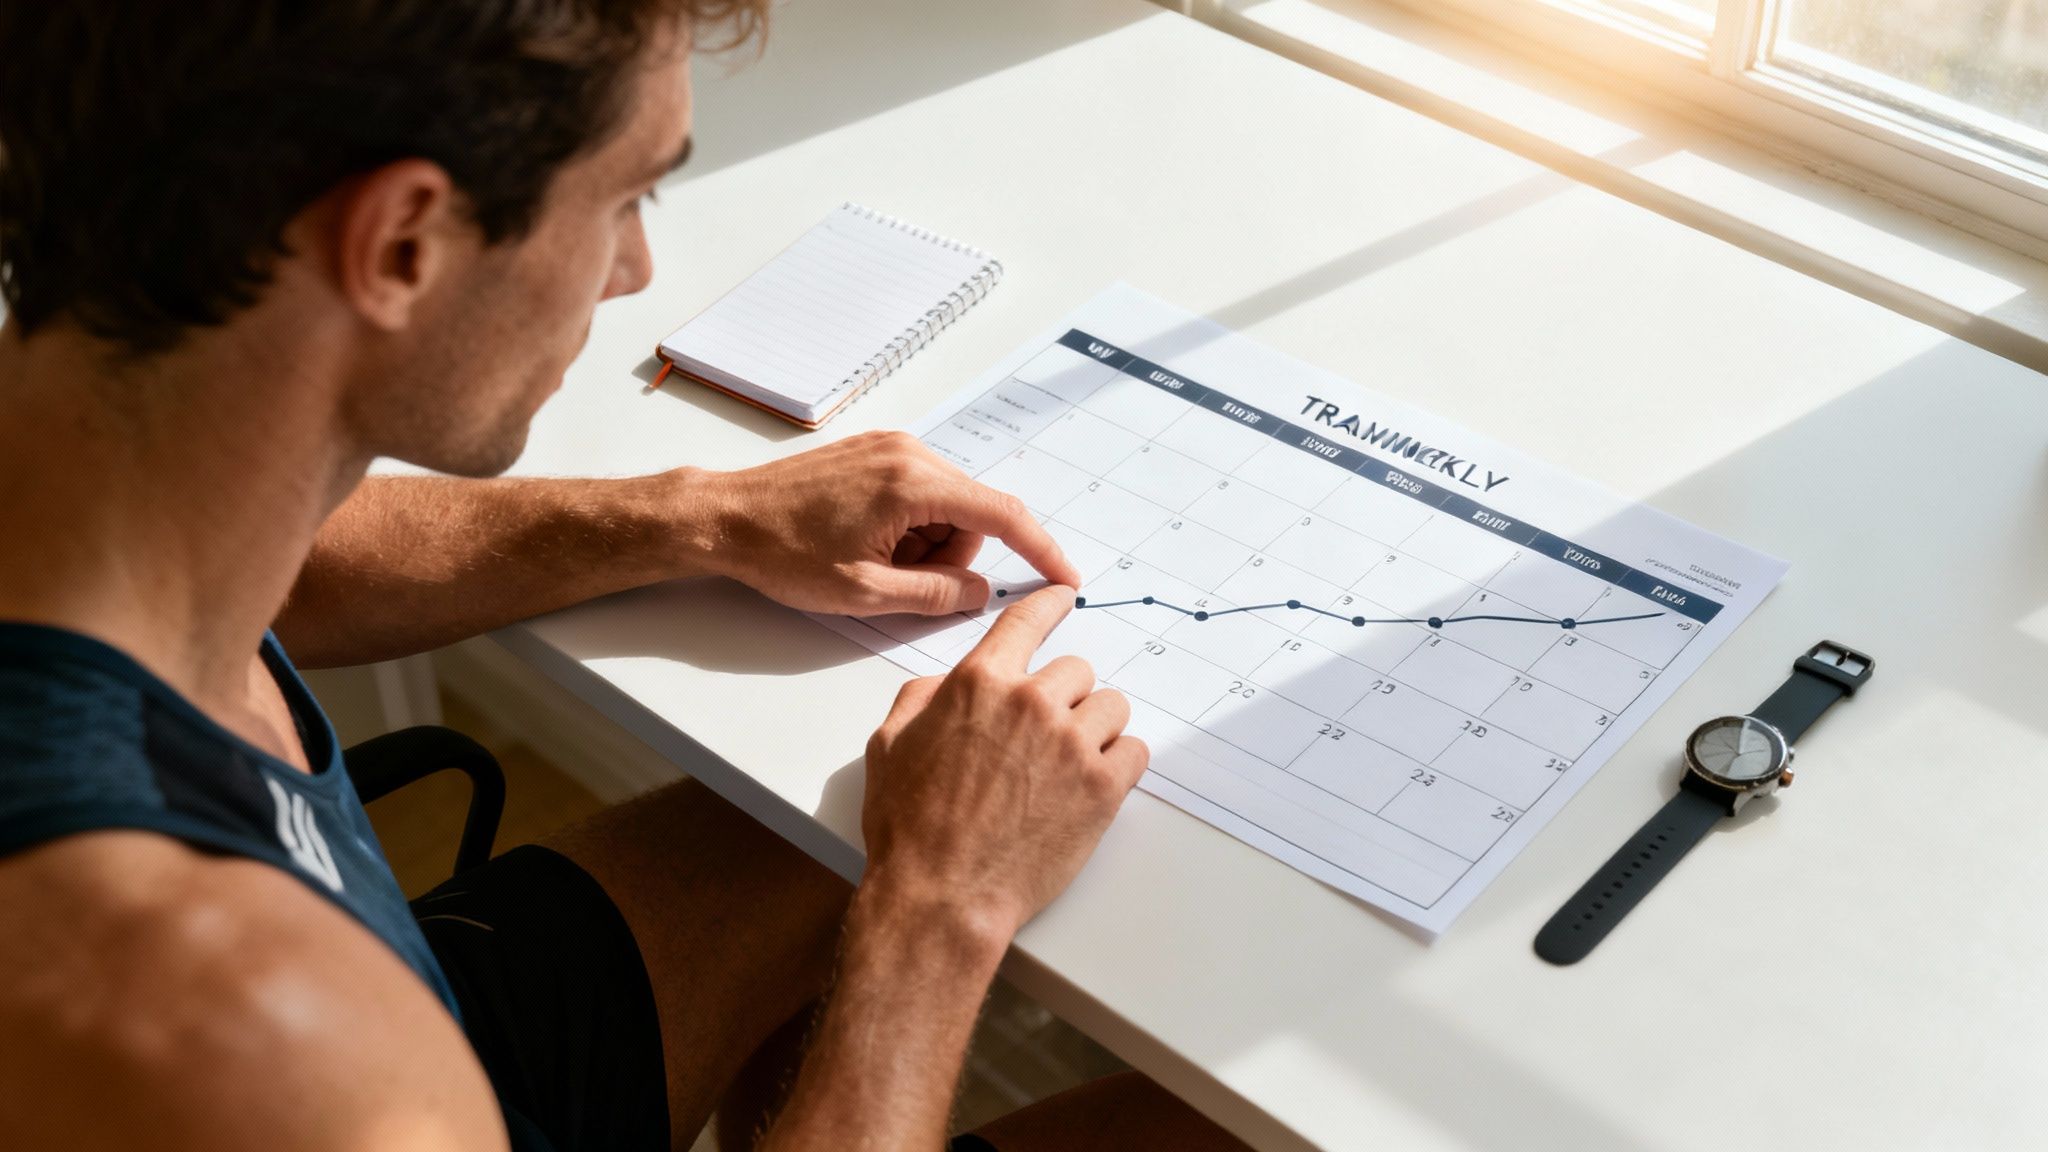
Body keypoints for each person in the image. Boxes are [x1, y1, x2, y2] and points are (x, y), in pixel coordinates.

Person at [0, 3, 1251, 1151]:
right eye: (620, 200)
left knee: (817, 814)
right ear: (399, 243)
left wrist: (697, 517)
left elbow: (286, 577)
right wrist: (937, 915)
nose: (634, 269)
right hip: (357, 1062)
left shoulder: (88, 437)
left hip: (424, 1017)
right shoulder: (245, 1037)